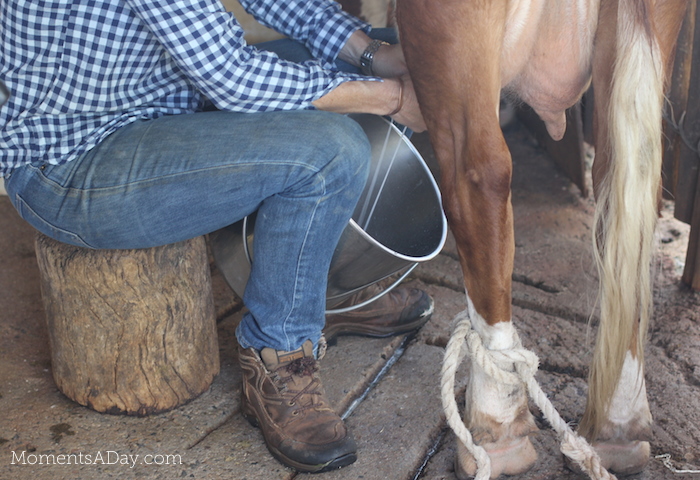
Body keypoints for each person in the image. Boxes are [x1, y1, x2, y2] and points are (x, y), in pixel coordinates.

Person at [0, 0, 434, 474]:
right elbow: (233, 76)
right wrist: (391, 97)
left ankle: (315, 288)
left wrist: (373, 55)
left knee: (338, 63)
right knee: (329, 152)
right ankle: (279, 355)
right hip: (76, 164)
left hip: (154, 103)